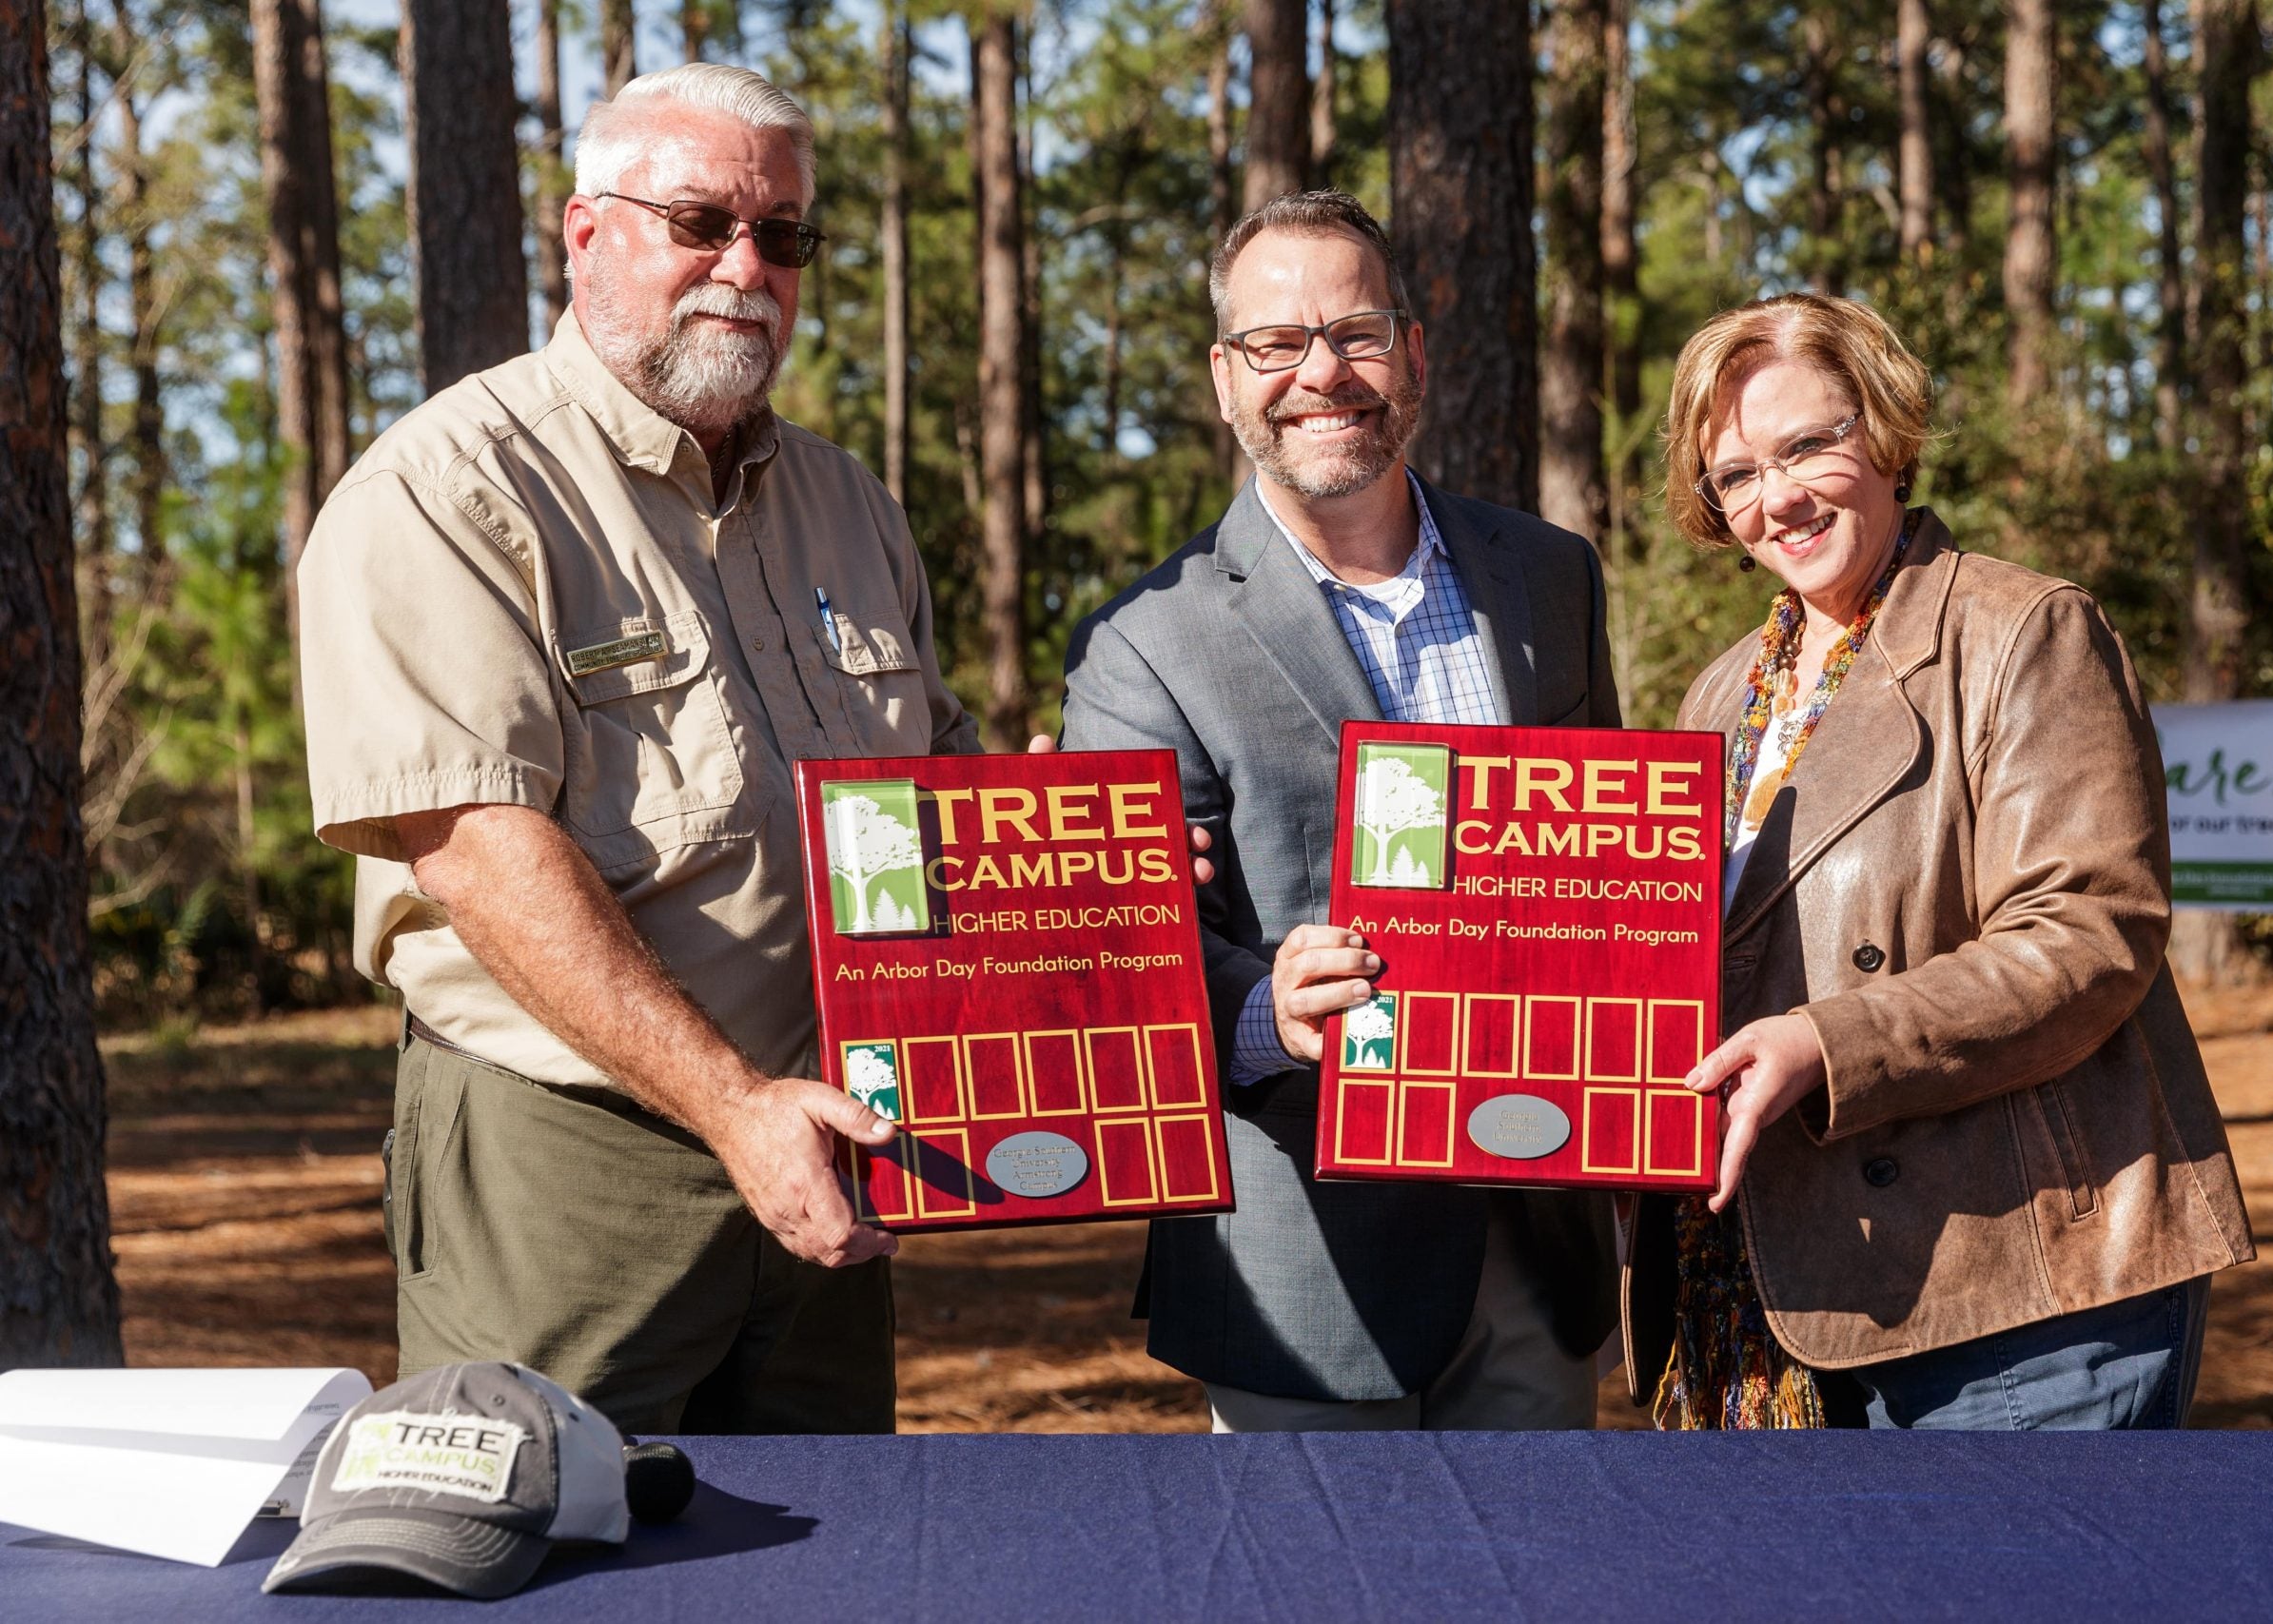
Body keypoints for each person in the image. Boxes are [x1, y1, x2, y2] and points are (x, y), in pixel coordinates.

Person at [296, 65, 973, 1435]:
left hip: (831, 1146)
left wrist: (1092, 864)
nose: (747, 267)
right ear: (585, 230)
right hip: (568, 1162)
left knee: (833, 1530)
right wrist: (735, 1108)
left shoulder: (849, 504)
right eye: (701, 221)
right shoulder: (448, 487)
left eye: (782, 235)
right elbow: (481, 853)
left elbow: (936, 787)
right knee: (542, 1520)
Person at [1626, 291, 2255, 1429]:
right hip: (1787, 1284)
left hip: (2019, 1293)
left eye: (1808, 445)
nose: (1779, 496)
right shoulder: (1720, 694)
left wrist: (1827, 1042)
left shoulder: (2024, 630)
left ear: (1885, 430)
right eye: (1737, 474)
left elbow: (2089, 933)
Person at [1061, 190, 1620, 1432]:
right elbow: (1130, 945)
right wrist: (1265, 1012)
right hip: (1306, 1262)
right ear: (1225, 376)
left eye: (1357, 333)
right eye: (1276, 342)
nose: (1322, 372)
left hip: (1539, 1230)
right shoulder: (1142, 641)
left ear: (1412, 354)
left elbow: (1603, 865)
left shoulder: (1550, 576)